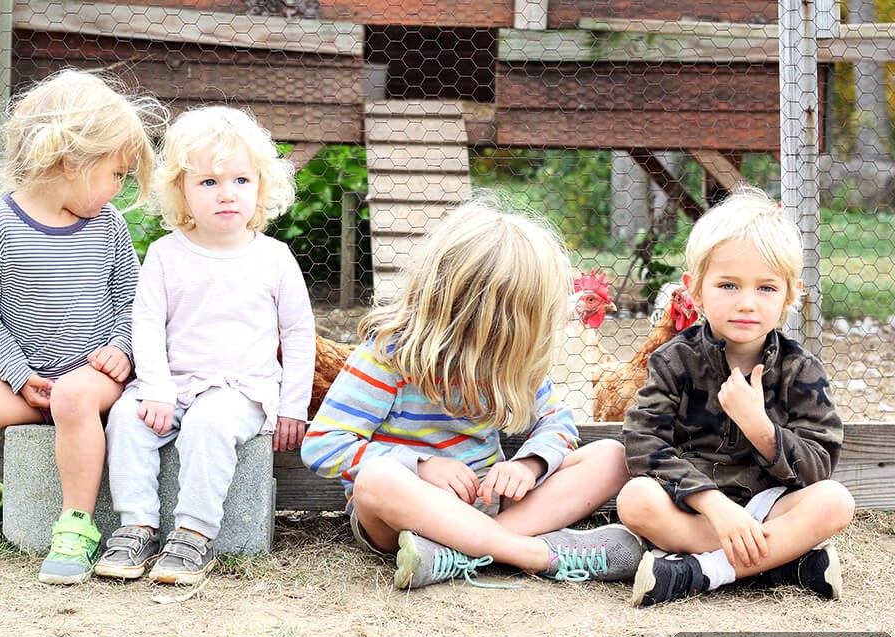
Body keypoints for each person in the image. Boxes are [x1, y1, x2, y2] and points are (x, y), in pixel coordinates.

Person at [301, 197, 643, 590]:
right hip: (405, 516)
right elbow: (323, 445)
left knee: (612, 456)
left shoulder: (515, 361)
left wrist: (527, 466)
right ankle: (532, 553)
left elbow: (557, 422)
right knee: (376, 480)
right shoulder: (389, 357)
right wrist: (421, 466)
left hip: (486, 501)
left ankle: (457, 553)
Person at [0, 69, 166, 584]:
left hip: (94, 376)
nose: (119, 188)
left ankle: (76, 523)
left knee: (75, 397)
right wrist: (15, 374)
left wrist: (122, 348)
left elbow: (132, 299)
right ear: (70, 160)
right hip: (28, 380)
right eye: (115, 173)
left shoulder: (108, 226)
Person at [94, 106, 315, 586]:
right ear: (181, 191)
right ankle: (135, 527)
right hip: (171, 383)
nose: (226, 194)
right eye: (208, 183)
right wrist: (153, 387)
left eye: (240, 180)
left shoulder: (274, 259)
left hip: (241, 389)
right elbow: (146, 324)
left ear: (261, 185)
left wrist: (293, 406)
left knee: (209, 426)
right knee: (127, 420)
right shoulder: (165, 254)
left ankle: (193, 535)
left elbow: (298, 334)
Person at [618, 186, 855, 607]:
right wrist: (712, 503)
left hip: (769, 506)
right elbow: (643, 442)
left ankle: (701, 572)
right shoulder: (673, 361)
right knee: (635, 499)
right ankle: (782, 565)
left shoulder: (802, 371)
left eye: (765, 288)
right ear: (695, 289)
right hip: (694, 507)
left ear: (790, 295)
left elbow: (819, 465)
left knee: (835, 501)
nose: (746, 303)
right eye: (728, 285)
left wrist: (760, 428)